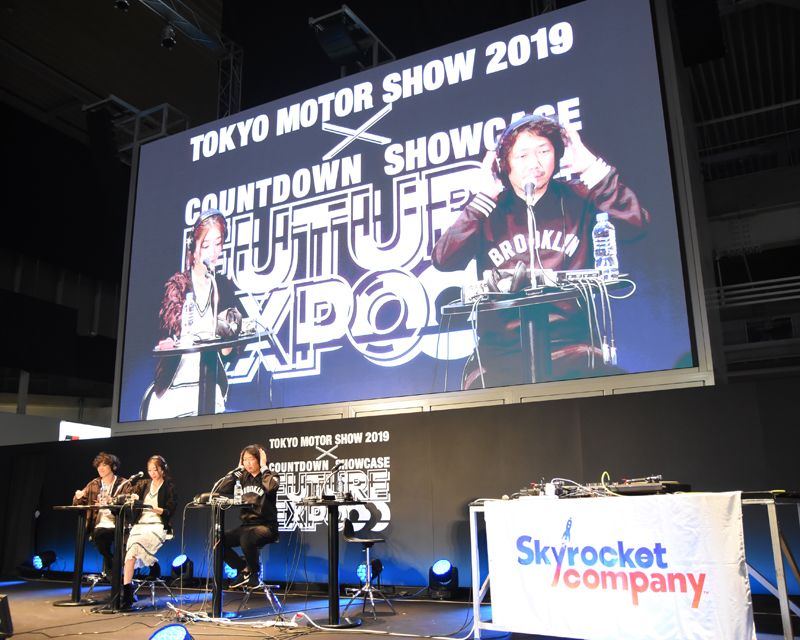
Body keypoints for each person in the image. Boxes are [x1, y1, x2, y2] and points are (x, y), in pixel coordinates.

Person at [432, 114, 650, 387]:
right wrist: (482, 200)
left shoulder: (578, 197)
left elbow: (635, 224)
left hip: (572, 346)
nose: (534, 163)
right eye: (522, 155)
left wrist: (592, 169)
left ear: (557, 156)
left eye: (543, 151)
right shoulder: (488, 209)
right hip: (500, 354)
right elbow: (443, 260)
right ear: (503, 164)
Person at [146, 209, 245, 419]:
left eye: (218, 244)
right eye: (206, 246)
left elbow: (231, 347)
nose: (213, 252)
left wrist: (229, 337)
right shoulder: (178, 284)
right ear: (194, 246)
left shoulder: (223, 287)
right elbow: (172, 321)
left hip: (209, 385)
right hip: (174, 385)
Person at [120, 455, 177, 610]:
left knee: (136, 546)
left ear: (163, 470)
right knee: (129, 554)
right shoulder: (143, 484)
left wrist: (153, 508)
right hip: (140, 524)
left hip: (156, 524)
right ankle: (127, 593)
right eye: (150, 470)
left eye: (155, 470)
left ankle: (153, 565)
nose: (152, 473)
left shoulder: (169, 488)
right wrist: (133, 497)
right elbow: (131, 495)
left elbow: (169, 510)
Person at [219, 444, 280, 588]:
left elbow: (271, 488)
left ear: (260, 460)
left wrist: (264, 467)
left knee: (247, 538)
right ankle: (244, 570)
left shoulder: (270, 476)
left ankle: (254, 574)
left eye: (251, 459)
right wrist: (238, 469)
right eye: (245, 459)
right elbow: (223, 488)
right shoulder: (243, 477)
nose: (247, 463)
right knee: (218, 541)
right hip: (246, 525)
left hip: (266, 526)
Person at [72, 452, 125, 579]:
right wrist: (78, 497)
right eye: (98, 466)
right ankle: (110, 561)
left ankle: (116, 570)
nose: (100, 468)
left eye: (104, 465)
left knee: (124, 544)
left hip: (118, 524)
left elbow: (127, 505)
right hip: (100, 525)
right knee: (101, 536)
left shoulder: (123, 484)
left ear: (113, 467)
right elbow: (77, 504)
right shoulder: (93, 484)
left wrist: (111, 502)